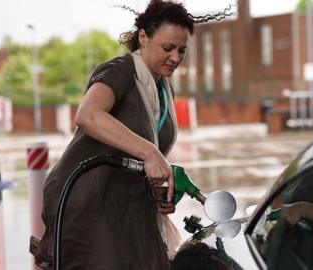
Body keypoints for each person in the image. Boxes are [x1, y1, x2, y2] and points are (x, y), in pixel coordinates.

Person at [29, 1, 234, 269]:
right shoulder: (120, 71)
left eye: (182, 50)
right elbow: (88, 115)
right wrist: (149, 152)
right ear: (143, 38)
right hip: (93, 208)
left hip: (134, 214)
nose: (175, 57)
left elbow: (142, 158)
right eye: (168, 48)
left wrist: (161, 191)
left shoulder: (164, 89)